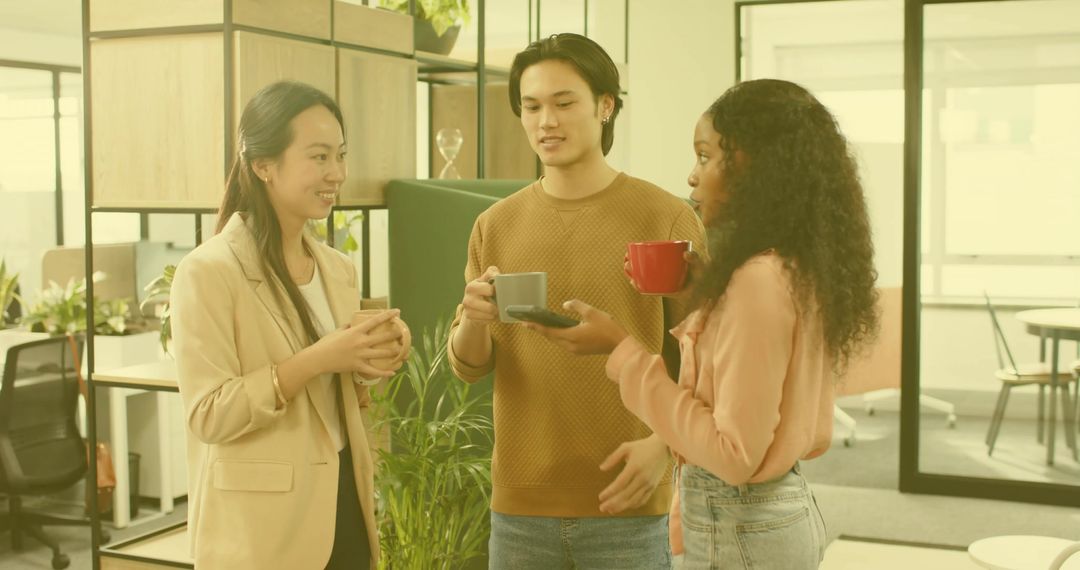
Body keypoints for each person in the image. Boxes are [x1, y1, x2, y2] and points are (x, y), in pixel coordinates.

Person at [532, 78, 879, 569]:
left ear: (751, 169)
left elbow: (733, 454)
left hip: (741, 529)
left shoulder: (756, 282)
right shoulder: (793, 269)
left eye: (704, 156)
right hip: (770, 517)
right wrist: (701, 302)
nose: (692, 177)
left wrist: (622, 351)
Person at [447, 33, 706, 569]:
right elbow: (470, 366)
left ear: (606, 106)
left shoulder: (667, 219)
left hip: (630, 504)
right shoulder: (494, 225)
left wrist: (664, 444)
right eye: (532, 106)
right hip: (520, 509)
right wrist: (474, 319)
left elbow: (703, 362)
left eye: (564, 103)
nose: (546, 121)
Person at [171, 80, 407, 569]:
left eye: (340, 156)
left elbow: (338, 395)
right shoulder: (209, 270)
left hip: (343, 498)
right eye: (318, 157)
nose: (336, 173)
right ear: (263, 165)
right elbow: (209, 415)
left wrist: (370, 357)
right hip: (262, 527)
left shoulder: (337, 269)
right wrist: (317, 360)